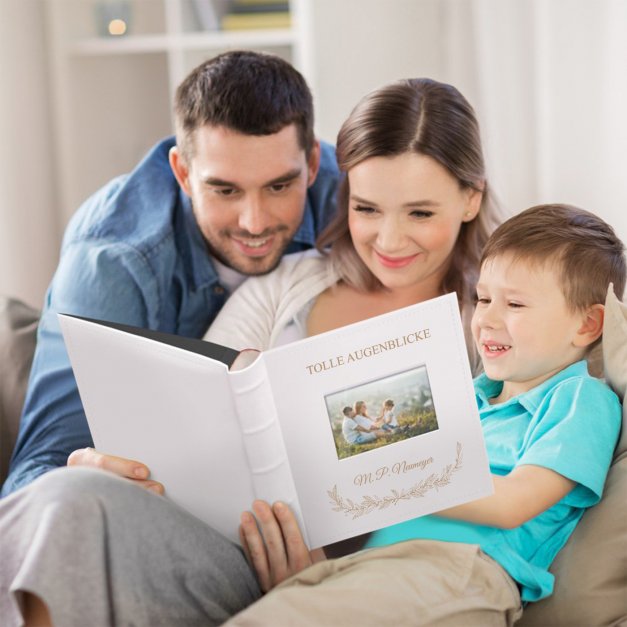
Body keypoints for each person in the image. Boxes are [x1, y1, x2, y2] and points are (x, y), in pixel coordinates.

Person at [0, 77, 501, 626]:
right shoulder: (289, 282)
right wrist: (109, 464)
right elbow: (189, 408)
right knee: (70, 498)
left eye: (420, 214)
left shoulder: (490, 324)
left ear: (470, 198)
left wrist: (320, 577)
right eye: (367, 209)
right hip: (214, 545)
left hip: (357, 580)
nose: (388, 239)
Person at [226, 204, 624, 626]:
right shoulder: (464, 395)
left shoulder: (581, 399)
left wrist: (394, 467)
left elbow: (512, 503)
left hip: (461, 571)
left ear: (586, 325)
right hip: (374, 565)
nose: (486, 318)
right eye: (484, 298)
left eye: (516, 304)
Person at [1, 50, 340, 497]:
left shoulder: (355, 201)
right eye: (224, 190)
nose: (254, 222)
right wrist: (79, 482)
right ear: (182, 172)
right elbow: (30, 478)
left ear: (312, 163)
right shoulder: (113, 263)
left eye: (279, 186)